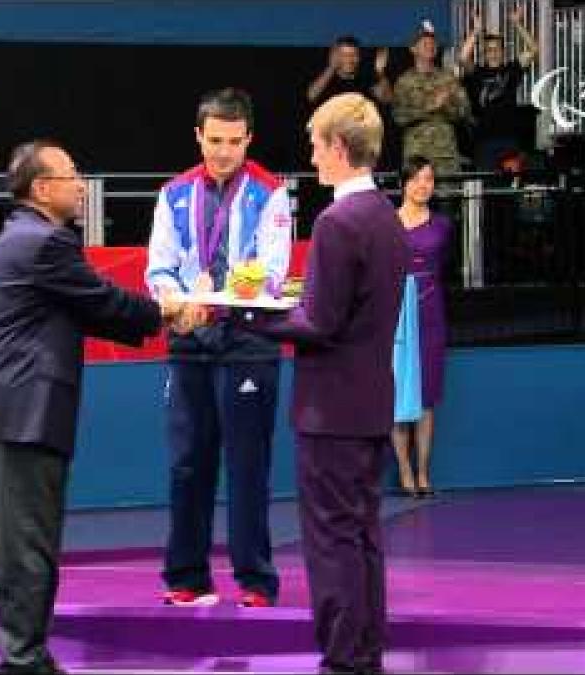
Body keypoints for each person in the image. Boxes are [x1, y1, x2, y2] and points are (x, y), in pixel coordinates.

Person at [0, 140, 190, 674]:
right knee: (28, 549)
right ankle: (23, 662)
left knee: (17, 548)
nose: (80, 184)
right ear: (42, 189)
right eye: (71, 175)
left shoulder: (21, 237)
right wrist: (169, 311)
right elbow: (105, 302)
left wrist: (158, 315)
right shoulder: (46, 243)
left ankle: (26, 657)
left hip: (4, 412)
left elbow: (88, 312)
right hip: (26, 415)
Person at [236, 92, 407, 674]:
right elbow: (340, 309)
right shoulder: (384, 214)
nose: (310, 156)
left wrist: (251, 314)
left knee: (332, 542)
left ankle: (342, 659)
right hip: (369, 404)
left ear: (337, 147)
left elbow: (320, 324)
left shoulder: (338, 221)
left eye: (315, 144)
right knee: (361, 536)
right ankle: (364, 653)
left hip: (331, 411)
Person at [144, 87, 293, 609]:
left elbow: (274, 273)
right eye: (214, 141)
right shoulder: (174, 194)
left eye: (234, 141)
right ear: (198, 136)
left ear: (249, 138)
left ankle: (256, 579)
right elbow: (158, 267)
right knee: (187, 462)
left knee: (247, 465)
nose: (223, 151)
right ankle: (186, 575)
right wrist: (175, 297)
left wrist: (234, 290)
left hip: (248, 341)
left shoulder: (271, 193)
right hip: (188, 338)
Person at [391, 156, 451, 500]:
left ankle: (424, 472)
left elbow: (441, 266)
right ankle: (403, 471)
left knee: (426, 397)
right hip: (397, 313)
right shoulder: (388, 223)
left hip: (431, 312)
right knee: (399, 395)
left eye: (428, 179)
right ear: (404, 184)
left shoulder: (442, 225)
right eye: (416, 179)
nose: (422, 186)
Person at [458, 9, 539, 171]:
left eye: (496, 49)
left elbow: (534, 50)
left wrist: (517, 24)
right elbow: (462, 58)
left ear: (503, 51)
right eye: (489, 49)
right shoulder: (477, 73)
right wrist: (476, 31)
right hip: (484, 141)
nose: (493, 53)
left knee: (511, 188)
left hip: (509, 139)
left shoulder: (511, 69)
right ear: (484, 53)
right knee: (486, 188)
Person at [393, 24, 469, 177]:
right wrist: (429, 107)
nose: (430, 46)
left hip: (445, 155)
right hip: (417, 155)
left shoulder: (448, 78)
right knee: (418, 198)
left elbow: (464, 112)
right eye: (424, 44)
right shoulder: (404, 81)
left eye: (432, 43)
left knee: (448, 199)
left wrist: (447, 106)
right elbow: (398, 117)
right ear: (413, 49)